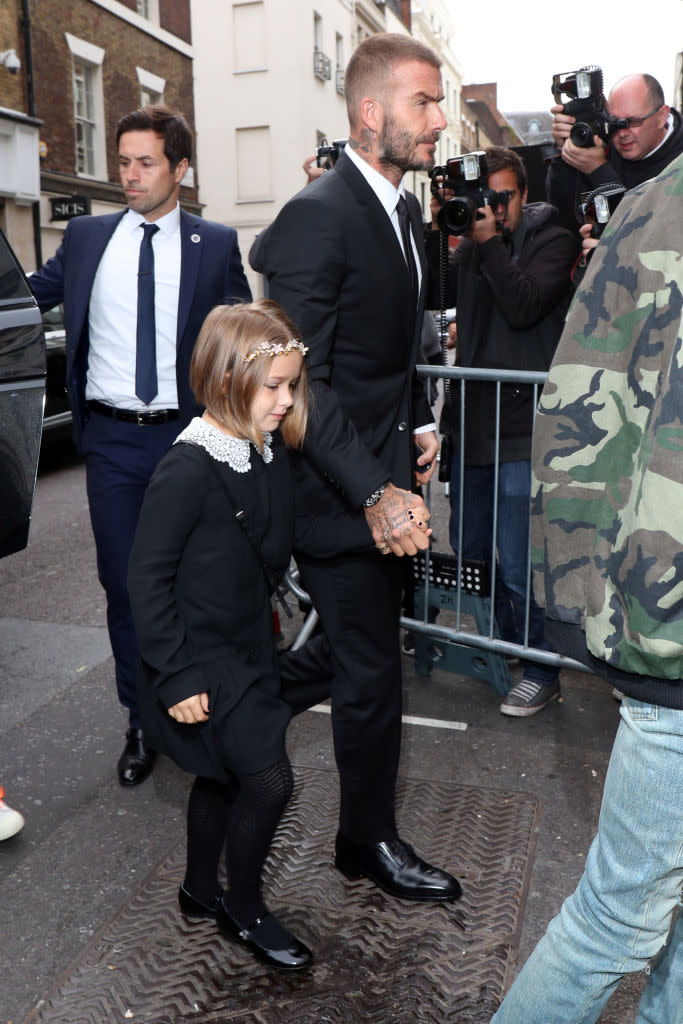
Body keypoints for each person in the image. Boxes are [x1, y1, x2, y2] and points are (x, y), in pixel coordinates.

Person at [252, 33, 462, 903]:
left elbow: (390, 352)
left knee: (353, 658)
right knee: (372, 674)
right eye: (422, 102)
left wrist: (415, 421)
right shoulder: (321, 212)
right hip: (337, 493)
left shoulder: (401, 211)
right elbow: (303, 379)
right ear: (370, 113)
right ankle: (365, 842)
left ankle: (235, 700)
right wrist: (373, 490)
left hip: (384, 478)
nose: (439, 120)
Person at [490, 151, 683, 1024]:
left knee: (634, 914)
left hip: (649, 604)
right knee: (617, 918)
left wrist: (581, 591)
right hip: (670, 630)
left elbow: (578, 390)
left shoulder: (651, 200)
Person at [29, 105, 251, 787]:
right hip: (115, 444)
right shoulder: (89, 237)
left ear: (180, 170)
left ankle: (202, 707)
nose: (128, 174)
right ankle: (141, 718)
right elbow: (27, 297)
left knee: (193, 585)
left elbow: (241, 337)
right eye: (122, 161)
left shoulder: (213, 245)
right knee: (126, 586)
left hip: (188, 443)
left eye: (144, 162)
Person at [127, 299, 313, 972]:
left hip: (249, 648)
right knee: (267, 783)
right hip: (203, 661)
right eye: (274, 387)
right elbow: (145, 580)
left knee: (221, 776)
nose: (286, 400)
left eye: (292, 385)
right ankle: (244, 907)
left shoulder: (260, 449)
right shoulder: (187, 468)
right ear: (228, 380)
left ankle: (199, 889)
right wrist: (176, 676)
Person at [426, 146, 579, 716]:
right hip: (471, 426)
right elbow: (432, 299)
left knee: (520, 562)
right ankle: (509, 643)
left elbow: (523, 306)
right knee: (471, 551)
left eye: (502, 196)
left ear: (523, 193)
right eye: (480, 197)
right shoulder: (468, 242)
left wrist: (486, 244)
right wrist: (443, 221)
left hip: (521, 429)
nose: (490, 207)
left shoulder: (552, 239)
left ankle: (543, 667)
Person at [547, 73, 683, 237]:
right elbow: (564, 219)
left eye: (632, 122)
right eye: (614, 122)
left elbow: (655, 236)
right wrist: (564, 151)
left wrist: (599, 171)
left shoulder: (678, 162)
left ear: (662, 116)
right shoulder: (602, 141)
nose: (622, 133)